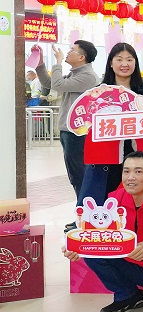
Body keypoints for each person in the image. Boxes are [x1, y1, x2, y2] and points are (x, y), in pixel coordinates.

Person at [62, 151, 143, 312]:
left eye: (138, 171)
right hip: (130, 265)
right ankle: (127, 295)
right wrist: (76, 247)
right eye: (126, 171)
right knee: (92, 254)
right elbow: (97, 236)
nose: (130, 177)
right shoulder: (113, 201)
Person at [78, 43, 143, 208]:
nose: (124, 64)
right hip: (105, 157)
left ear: (135, 63)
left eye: (129, 59)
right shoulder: (98, 92)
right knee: (104, 199)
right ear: (111, 63)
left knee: (133, 199)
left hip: (135, 153)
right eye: (119, 59)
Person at [33, 40, 101, 211]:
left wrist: (58, 62)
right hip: (68, 130)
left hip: (77, 132)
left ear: (82, 57)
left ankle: (86, 213)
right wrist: (40, 63)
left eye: (72, 50)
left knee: (79, 175)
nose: (68, 52)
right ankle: (83, 212)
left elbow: (58, 85)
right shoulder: (75, 74)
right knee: (75, 174)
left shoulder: (88, 76)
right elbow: (49, 83)